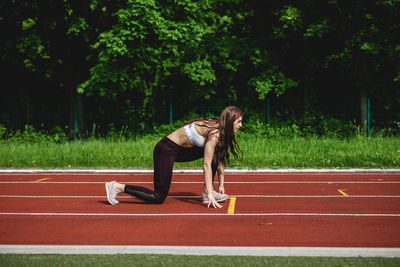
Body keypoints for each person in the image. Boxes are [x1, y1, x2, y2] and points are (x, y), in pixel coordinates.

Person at [105, 106, 243, 208]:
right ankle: (116, 187)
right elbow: (206, 165)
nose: (240, 125)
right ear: (230, 121)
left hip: (181, 151)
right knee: (158, 197)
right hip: (165, 150)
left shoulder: (221, 131)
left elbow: (219, 160)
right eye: (239, 122)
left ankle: (207, 192)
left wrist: (221, 184)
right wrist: (213, 195)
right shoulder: (215, 134)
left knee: (214, 153)